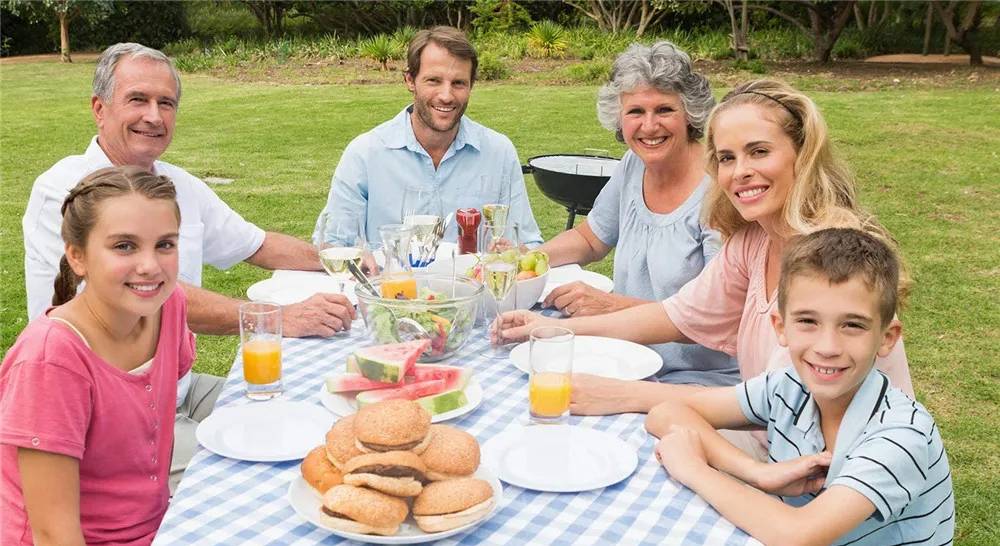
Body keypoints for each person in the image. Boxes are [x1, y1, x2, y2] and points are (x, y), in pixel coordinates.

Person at [23, 42, 356, 488]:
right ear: (99, 109)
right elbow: (130, 305)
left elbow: (256, 244)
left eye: (167, 103)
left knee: (310, 424)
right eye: (138, 100)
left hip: (176, 388)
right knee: (259, 475)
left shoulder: (177, 185)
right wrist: (274, 319)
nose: (154, 116)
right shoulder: (65, 194)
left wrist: (344, 262)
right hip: (107, 417)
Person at [647, 229, 952, 546]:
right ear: (781, 327)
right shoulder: (788, 384)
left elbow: (797, 539)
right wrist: (756, 473)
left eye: (852, 325)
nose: (826, 346)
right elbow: (668, 414)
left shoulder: (900, 436)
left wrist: (697, 468)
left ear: (887, 336)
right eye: (808, 321)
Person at [497, 79, 914, 416]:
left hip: (834, 479)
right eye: (727, 158)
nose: (740, 172)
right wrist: (547, 331)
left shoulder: (832, 263)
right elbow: (673, 315)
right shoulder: (754, 241)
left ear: (802, 154)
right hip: (772, 445)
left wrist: (628, 396)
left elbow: (778, 405)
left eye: (760, 151)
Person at [3, 166, 195, 546]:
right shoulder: (53, 360)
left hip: (156, 544)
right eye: (125, 246)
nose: (150, 266)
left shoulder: (168, 307)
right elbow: (52, 529)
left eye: (166, 244)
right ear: (77, 255)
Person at [535, 42, 738, 386]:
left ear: (690, 113)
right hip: (628, 360)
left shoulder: (719, 189)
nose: (649, 126)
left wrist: (609, 306)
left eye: (664, 110)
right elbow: (590, 238)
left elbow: (714, 318)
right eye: (635, 112)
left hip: (700, 378)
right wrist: (525, 261)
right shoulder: (633, 165)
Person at [316, 26, 542, 248]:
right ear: (410, 81)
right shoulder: (365, 154)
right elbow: (334, 245)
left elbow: (524, 244)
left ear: (471, 85)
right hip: (392, 284)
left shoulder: (498, 152)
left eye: (458, 83)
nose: (446, 95)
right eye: (433, 80)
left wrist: (513, 252)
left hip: (475, 285)